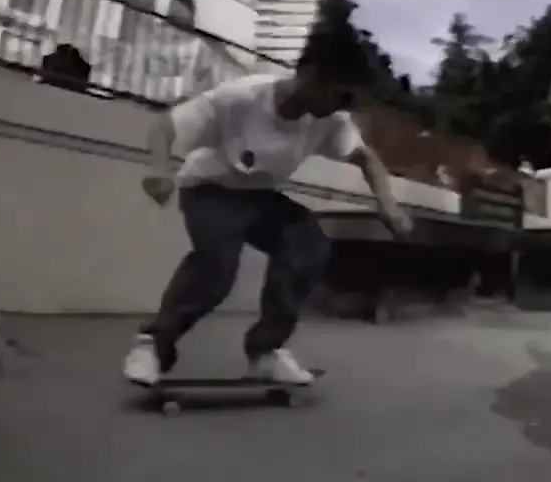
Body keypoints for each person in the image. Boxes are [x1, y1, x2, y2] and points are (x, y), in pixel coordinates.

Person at [122, 61, 414, 386]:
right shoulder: (242, 97)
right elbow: (164, 125)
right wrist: (159, 170)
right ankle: (152, 345)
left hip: (258, 198)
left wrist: (388, 204)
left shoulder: (331, 121)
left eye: (348, 101)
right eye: (339, 96)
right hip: (208, 190)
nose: (339, 107)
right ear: (310, 73)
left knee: (307, 242)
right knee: (217, 268)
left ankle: (266, 350)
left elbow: (367, 158)